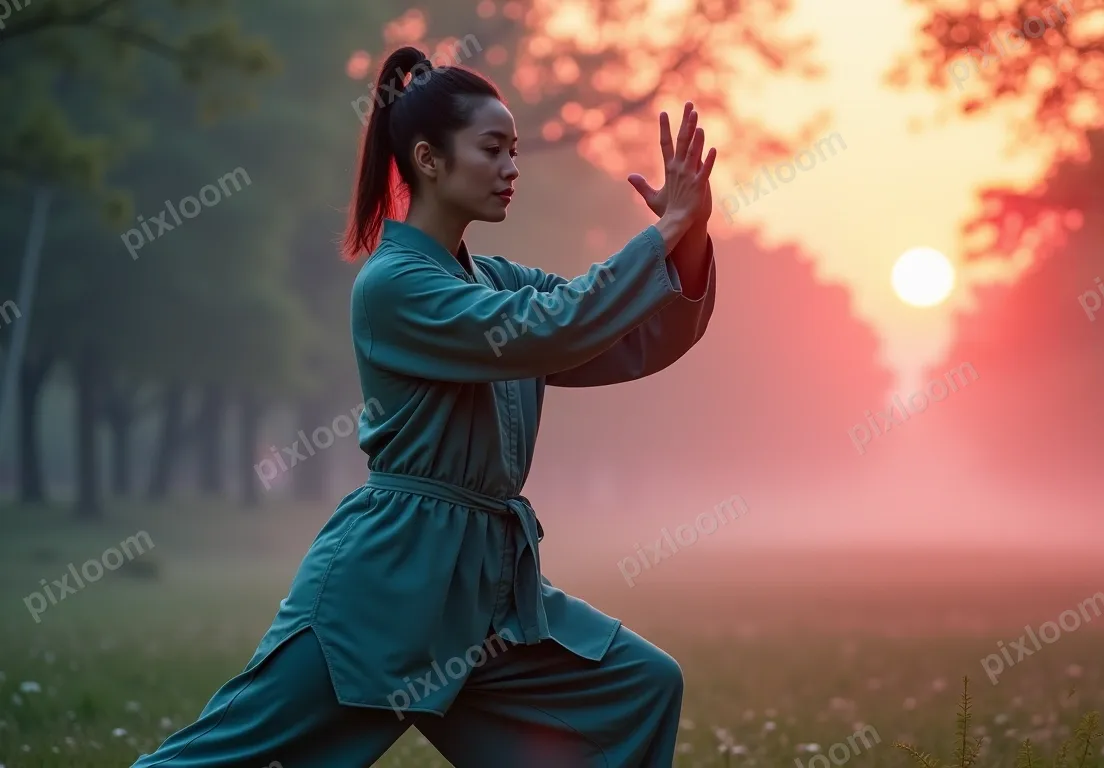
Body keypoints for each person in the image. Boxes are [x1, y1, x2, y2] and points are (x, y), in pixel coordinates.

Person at [130, 46, 717, 768]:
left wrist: (687, 239)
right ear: (429, 160)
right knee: (221, 758)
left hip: (487, 595)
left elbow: (626, 338)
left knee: (640, 686)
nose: (512, 168)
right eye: (492, 149)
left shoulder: (495, 279)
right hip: (387, 586)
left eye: (516, 151)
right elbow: (555, 326)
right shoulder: (395, 286)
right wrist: (659, 234)